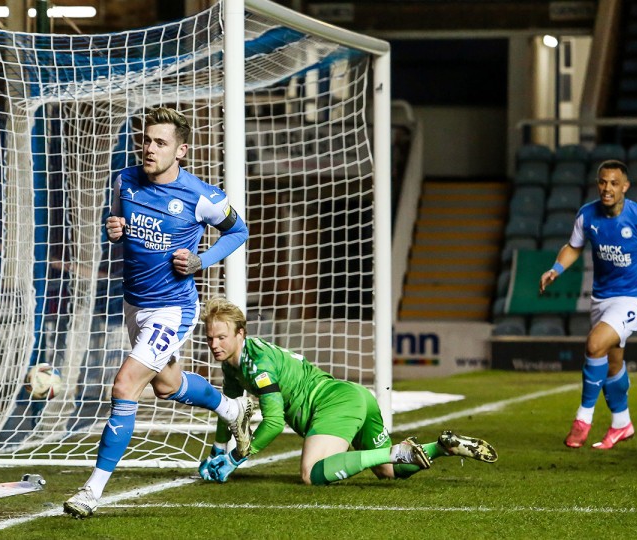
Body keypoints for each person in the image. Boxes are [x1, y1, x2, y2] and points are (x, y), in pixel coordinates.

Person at [64, 107, 252, 518]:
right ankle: (233, 409)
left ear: (181, 150)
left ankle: (91, 491)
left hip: (173, 308)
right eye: (146, 140)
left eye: (160, 143)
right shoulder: (126, 179)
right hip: (134, 302)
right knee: (166, 386)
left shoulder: (201, 196)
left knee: (125, 385)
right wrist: (111, 229)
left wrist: (202, 261)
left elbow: (238, 230)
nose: (148, 149)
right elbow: (114, 221)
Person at [198, 297, 498, 486]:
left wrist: (236, 457)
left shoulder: (258, 364)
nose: (214, 344)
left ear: (241, 333)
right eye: (210, 337)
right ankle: (443, 446)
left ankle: (397, 451)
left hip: (333, 404)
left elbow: (274, 422)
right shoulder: (234, 365)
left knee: (310, 473)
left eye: (222, 337)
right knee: (387, 471)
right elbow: (229, 411)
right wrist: (216, 451)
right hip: (355, 397)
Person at [540, 159, 637, 450]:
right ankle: (622, 423)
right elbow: (573, 246)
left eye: (613, 183)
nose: (607, 188)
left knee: (595, 345)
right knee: (612, 363)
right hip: (602, 297)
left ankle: (583, 420)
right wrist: (555, 269)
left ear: (625, 186)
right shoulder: (587, 215)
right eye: (602, 182)